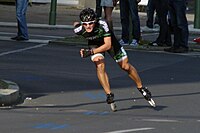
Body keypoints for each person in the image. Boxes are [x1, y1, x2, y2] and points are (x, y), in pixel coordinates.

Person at [73, 8, 155, 110]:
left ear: (95, 21)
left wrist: (90, 52)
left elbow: (107, 45)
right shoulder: (79, 29)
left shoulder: (102, 24)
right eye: (85, 24)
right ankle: (109, 94)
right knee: (100, 65)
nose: (88, 26)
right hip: (94, 44)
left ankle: (141, 87)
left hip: (110, 43)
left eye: (90, 23)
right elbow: (75, 24)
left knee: (125, 66)